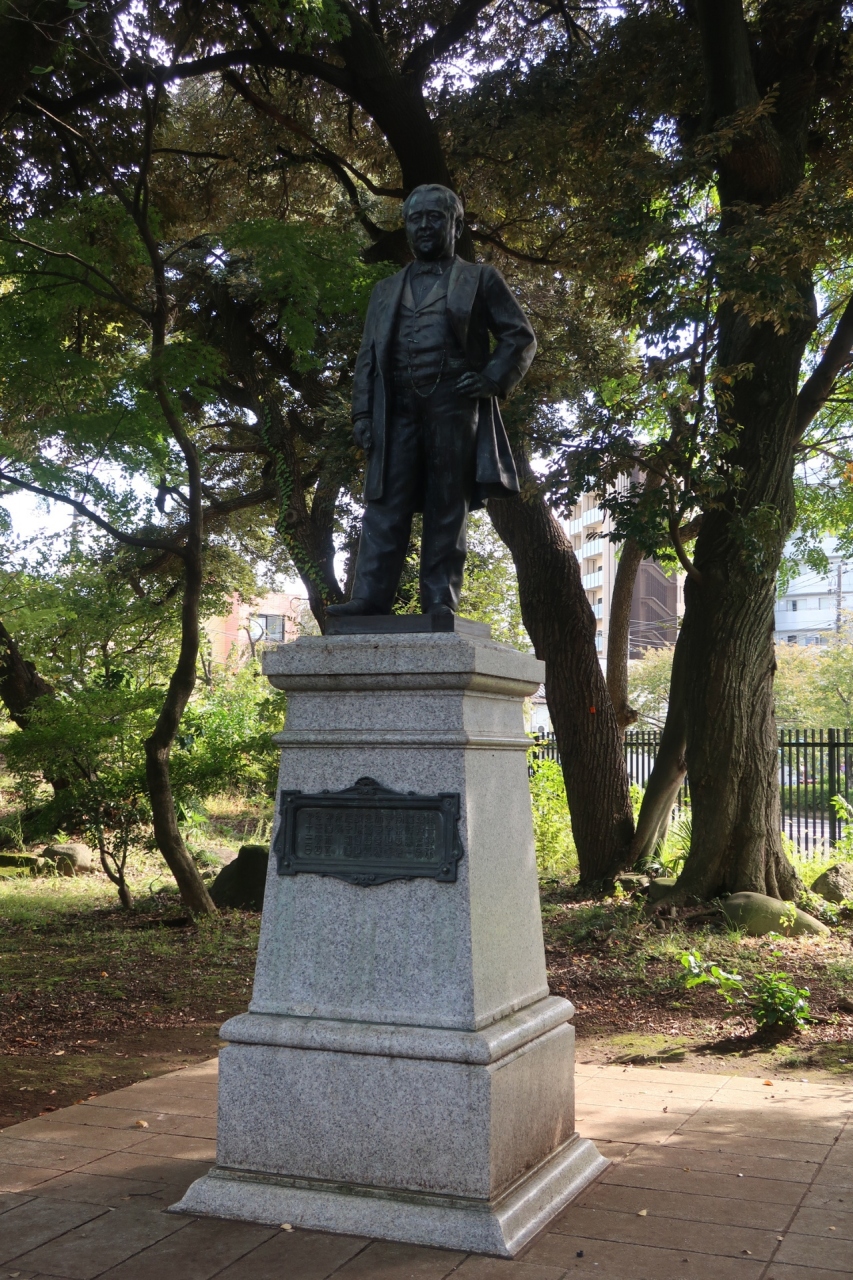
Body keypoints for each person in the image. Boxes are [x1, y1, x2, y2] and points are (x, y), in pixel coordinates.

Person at [327, 184, 536, 620]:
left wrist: (490, 378)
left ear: (455, 226)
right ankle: (370, 598)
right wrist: (362, 412)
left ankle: (440, 598)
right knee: (384, 503)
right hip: (394, 409)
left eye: (434, 217)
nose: (423, 226)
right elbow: (368, 356)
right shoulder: (385, 289)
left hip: (453, 405)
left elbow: (519, 336)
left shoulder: (480, 278)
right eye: (415, 219)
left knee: (447, 502)